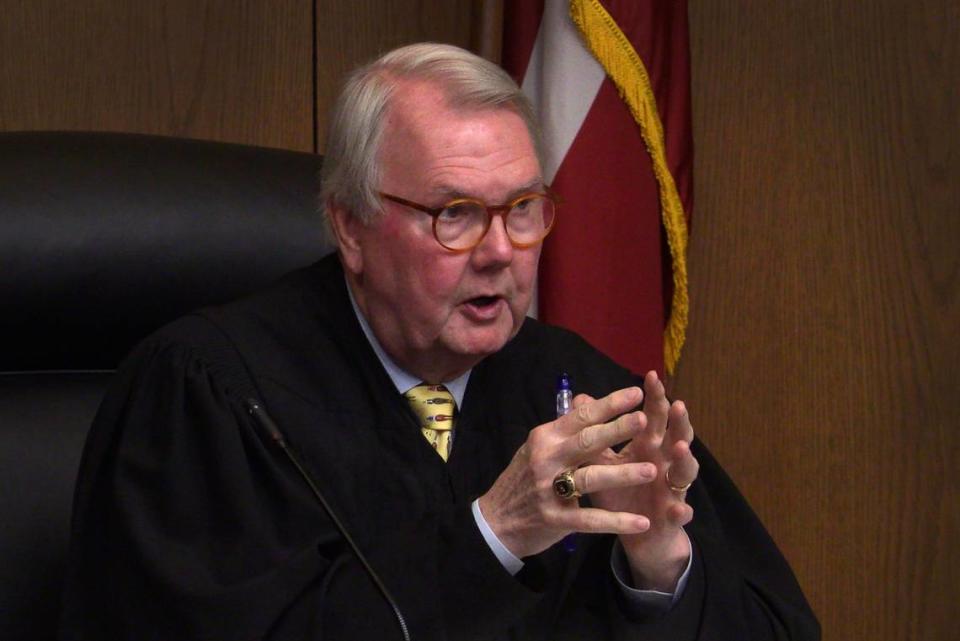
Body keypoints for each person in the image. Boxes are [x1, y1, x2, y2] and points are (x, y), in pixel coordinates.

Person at [59, 43, 819, 641]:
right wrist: (494, 532)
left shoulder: (582, 389)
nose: (500, 250)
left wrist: (657, 565)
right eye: (455, 213)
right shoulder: (210, 397)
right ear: (350, 225)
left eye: (523, 208)